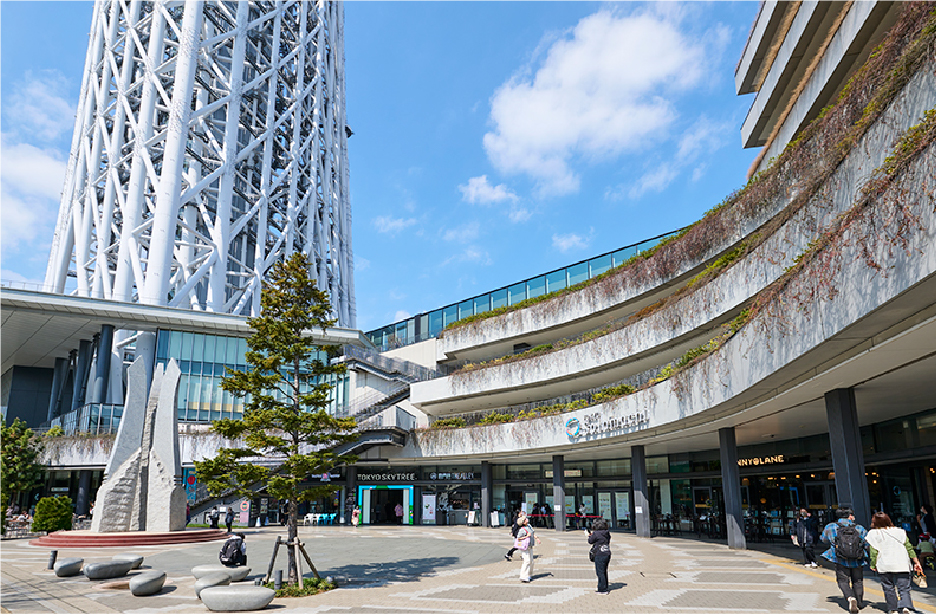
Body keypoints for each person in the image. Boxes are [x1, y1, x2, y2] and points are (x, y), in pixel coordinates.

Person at [866, 512, 923, 614]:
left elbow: (874, 552)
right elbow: (909, 547)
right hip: (902, 563)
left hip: (884, 564)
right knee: (904, 588)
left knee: (888, 587)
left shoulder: (873, 534)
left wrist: (873, 564)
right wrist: (916, 561)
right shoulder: (900, 532)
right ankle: (905, 607)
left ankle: (893, 609)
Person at [821, 507, 868, 614]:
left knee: (843, 580)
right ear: (850, 516)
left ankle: (850, 598)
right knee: (858, 581)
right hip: (857, 559)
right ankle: (860, 603)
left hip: (840, 558)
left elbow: (823, 540)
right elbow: (866, 542)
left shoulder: (831, 526)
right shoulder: (859, 528)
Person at [588, 518, 612, 594]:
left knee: (600, 572)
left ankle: (602, 589)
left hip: (599, 554)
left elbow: (590, 541)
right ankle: (605, 586)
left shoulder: (596, 533)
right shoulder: (607, 533)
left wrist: (589, 536)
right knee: (604, 571)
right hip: (607, 553)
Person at [515, 516, 539, 583]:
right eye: (525, 519)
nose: (527, 519)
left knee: (531, 561)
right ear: (523, 521)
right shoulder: (522, 529)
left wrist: (536, 537)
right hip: (525, 547)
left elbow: (532, 533)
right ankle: (523, 576)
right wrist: (526, 536)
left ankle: (529, 575)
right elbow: (518, 538)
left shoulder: (529, 526)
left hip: (530, 546)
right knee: (527, 561)